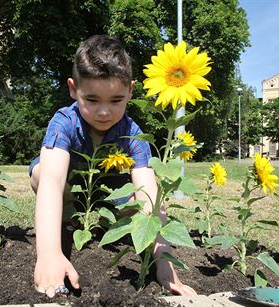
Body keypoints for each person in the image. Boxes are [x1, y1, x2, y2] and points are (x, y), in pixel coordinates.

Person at [30, 34, 197, 298]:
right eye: (92, 100)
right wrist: (49, 255)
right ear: (73, 89)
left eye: (116, 100)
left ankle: (112, 227)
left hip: (110, 192)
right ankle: (65, 222)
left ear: (131, 90)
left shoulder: (134, 133)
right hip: (70, 184)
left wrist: (164, 264)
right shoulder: (64, 122)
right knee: (41, 175)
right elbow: (51, 181)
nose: (104, 112)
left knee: (142, 201)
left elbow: (149, 196)